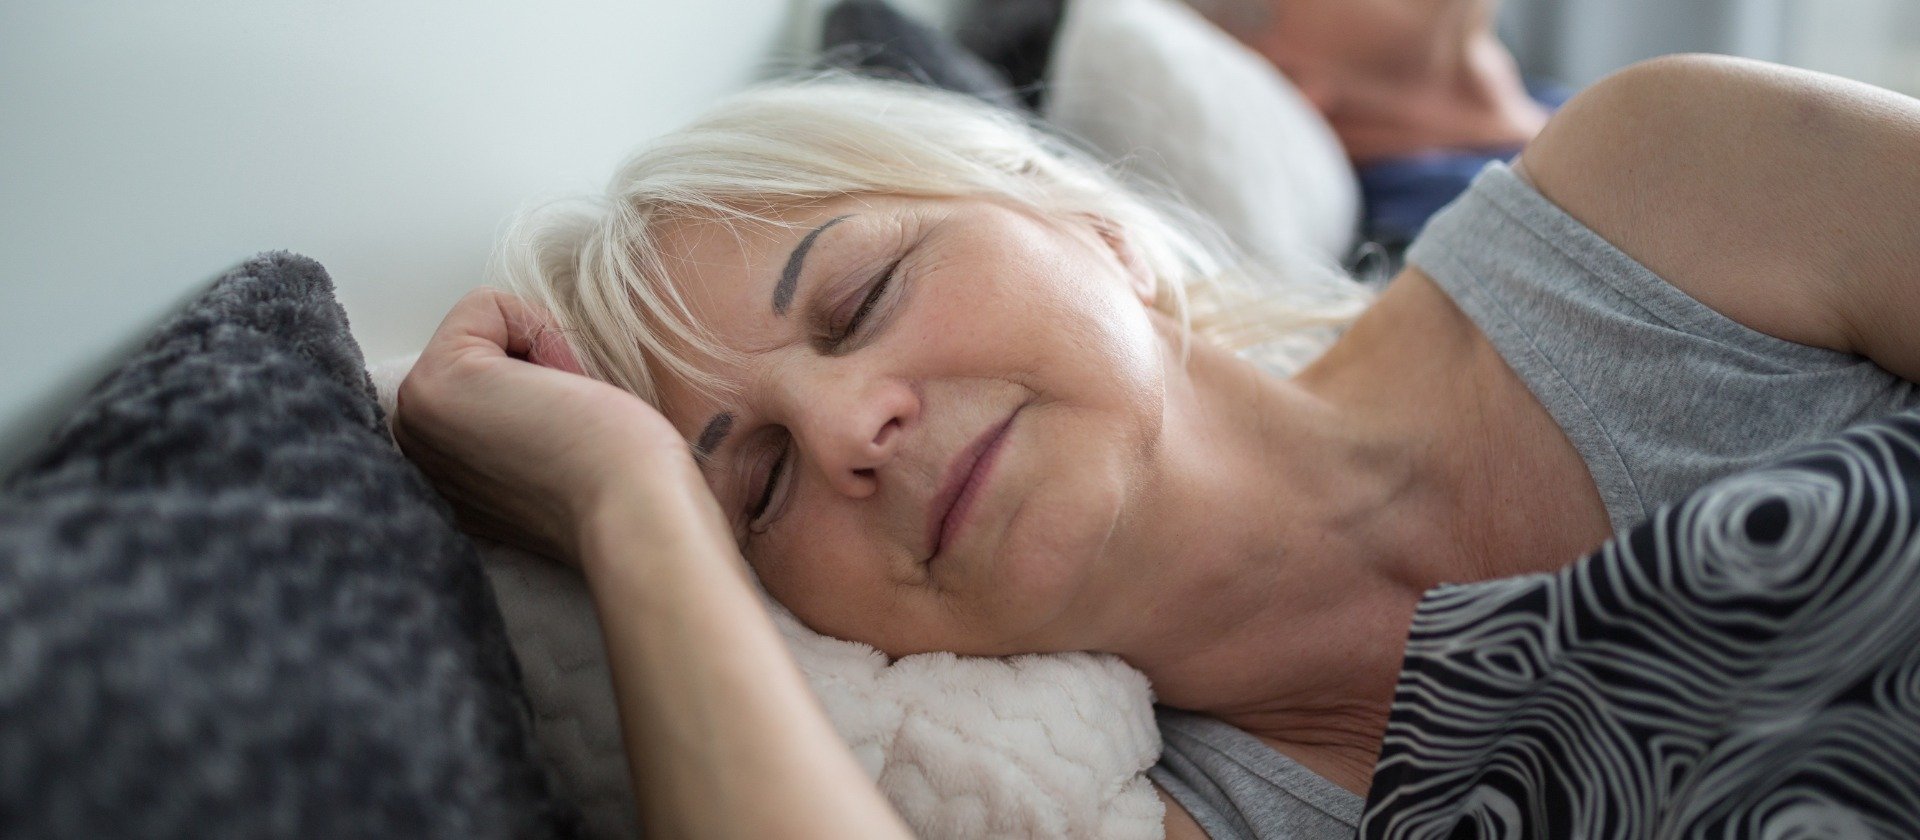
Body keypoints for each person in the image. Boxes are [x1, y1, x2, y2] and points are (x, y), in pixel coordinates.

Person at [392, 53, 1920, 839]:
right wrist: (631, 505)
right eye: (763, 481)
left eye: (860, 298)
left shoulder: (1663, 190)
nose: (854, 428)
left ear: (1095, 229)